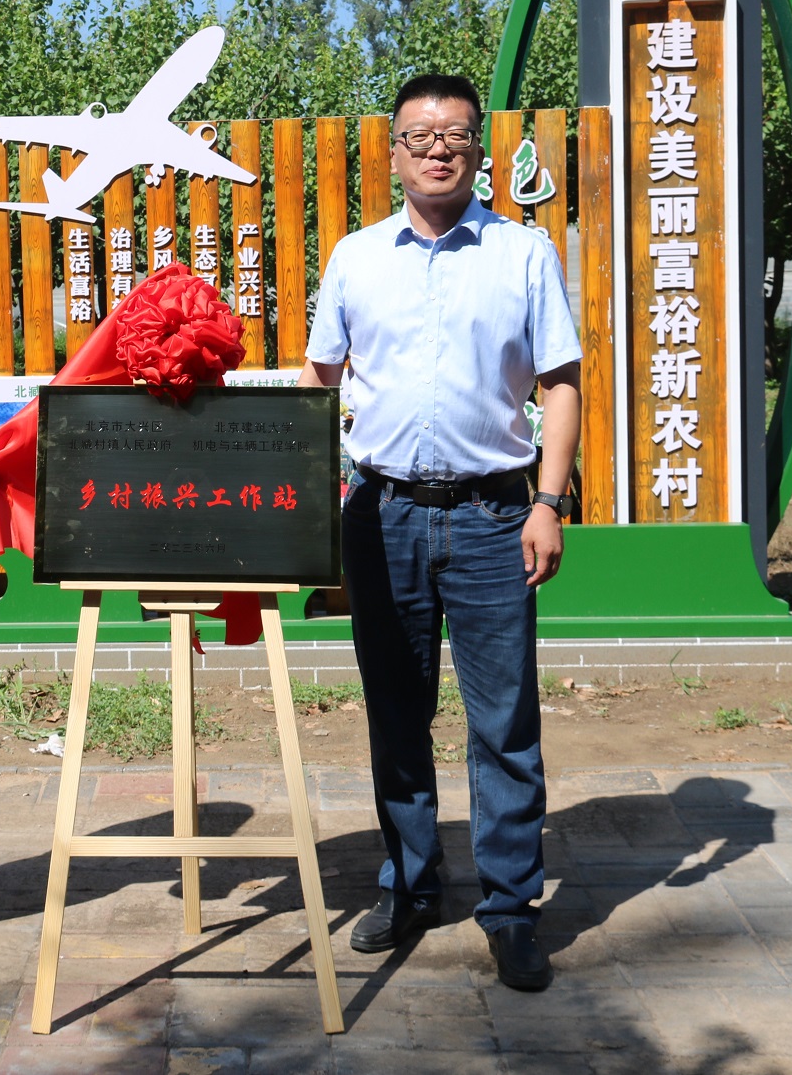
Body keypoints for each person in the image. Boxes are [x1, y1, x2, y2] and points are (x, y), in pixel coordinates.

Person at [298, 74, 582, 990]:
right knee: (396, 711)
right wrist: (306, 502)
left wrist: (548, 502)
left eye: (454, 135)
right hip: (380, 515)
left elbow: (561, 382)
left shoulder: (523, 253)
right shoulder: (356, 258)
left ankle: (510, 907)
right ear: (394, 152)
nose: (437, 150)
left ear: (476, 150)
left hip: (497, 514)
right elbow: (320, 382)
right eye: (419, 136)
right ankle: (411, 883)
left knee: (503, 722)